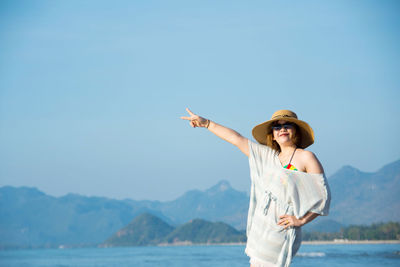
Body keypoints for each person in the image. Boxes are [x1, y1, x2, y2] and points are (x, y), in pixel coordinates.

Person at [181, 108, 331, 267]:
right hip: (261, 228)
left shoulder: (306, 157)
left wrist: (301, 220)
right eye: (277, 127)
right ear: (272, 134)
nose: (282, 130)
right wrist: (207, 124)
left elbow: (323, 196)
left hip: (282, 229)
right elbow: (237, 139)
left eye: (288, 125)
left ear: (296, 130)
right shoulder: (267, 156)